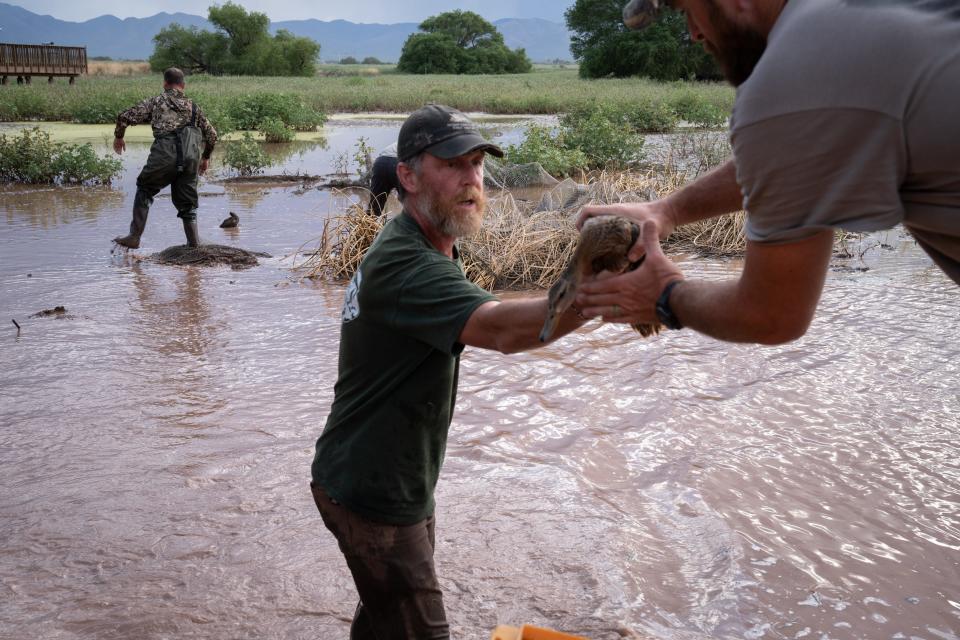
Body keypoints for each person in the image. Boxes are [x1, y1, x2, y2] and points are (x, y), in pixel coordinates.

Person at [310, 104, 589, 640]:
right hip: (375, 497)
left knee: (386, 617)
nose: (472, 179)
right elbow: (504, 330)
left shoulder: (424, 244)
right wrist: (594, 293)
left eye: (478, 163)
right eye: (454, 164)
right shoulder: (408, 265)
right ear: (409, 177)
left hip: (378, 481)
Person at [577, 0, 960, 344]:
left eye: (686, 10)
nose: (693, 34)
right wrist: (669, 211)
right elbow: (803, 150)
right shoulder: (849, 23)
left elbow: (771, 315)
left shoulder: (795, 71)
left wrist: (664, 295)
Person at [112, 67, 218, 249]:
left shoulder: (156, 102)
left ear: (165, 84)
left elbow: (124, 116)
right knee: (187, 203)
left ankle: (134, 236)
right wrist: (205, 157)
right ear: (183, 85)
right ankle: (194, 244)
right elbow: (212, 135)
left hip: (164, 154)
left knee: (145, 188)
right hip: (191, 157)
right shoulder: (194, 107)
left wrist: (119, 137)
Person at [366, 143, 400, 217]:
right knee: (414, 205)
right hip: (398, 162)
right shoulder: (427, 142)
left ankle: (367, 226)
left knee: (375, 205)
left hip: (380, 162)